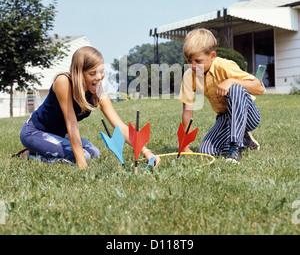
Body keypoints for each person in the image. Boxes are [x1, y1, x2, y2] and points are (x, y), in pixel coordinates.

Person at [15, 46, 160, 169]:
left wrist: (146, 151)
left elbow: (120, 126)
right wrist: (82, 165)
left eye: (101, 71)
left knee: (95, 154)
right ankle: (30, 155)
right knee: (83, 156)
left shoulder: (97, 92)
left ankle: (40, 150)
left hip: (59, 134)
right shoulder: (63, 82)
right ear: (79, 73)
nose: (99, 77)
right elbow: (71, 125)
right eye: (92, 73)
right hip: (35, 132)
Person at [179, 28, 264, 163]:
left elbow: (259, 88)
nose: (193, 66)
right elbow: (187, 111)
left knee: (235, 89)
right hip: (225, 117)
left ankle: (235, 147)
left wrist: (231, 81)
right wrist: (185, 146)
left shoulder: (225, 66)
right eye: (189, 61)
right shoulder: (189, 76)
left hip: (248, 115)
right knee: (205, 152)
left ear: (212, 56)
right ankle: (245, 140)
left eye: (198, 61)